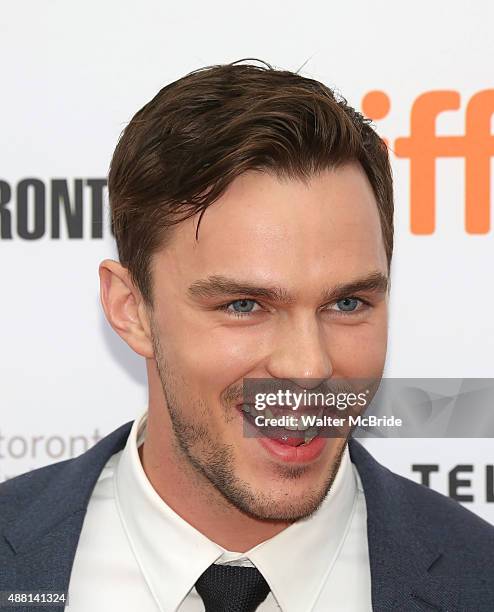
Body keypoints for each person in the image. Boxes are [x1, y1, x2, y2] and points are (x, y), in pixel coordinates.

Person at [1, 59, 493, 612]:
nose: (308, 367)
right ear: (131, 308)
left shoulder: (480, 578)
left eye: (347, 303)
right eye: (244, 305)